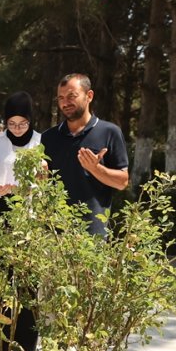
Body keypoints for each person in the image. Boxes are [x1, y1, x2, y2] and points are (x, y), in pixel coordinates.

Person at [0, 91, 41, 351]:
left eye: (23, 123)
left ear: (31, 121)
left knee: (28, 283)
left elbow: (48, 182)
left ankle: (27, 343)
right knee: (0, 282)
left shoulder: (41, 142)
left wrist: (34, 189)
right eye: (12, 124)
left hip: (29, 218)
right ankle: (0, 343)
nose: (17, 129)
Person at [40, 73, 129, 236]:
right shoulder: (47, 138)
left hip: (92, 236)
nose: (65, 102)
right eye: (60, 98)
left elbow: (122, 182)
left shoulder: (109, 132)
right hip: (54, 236)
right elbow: (42, 185)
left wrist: (96, 169)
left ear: (89, 96)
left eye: (71, 96)